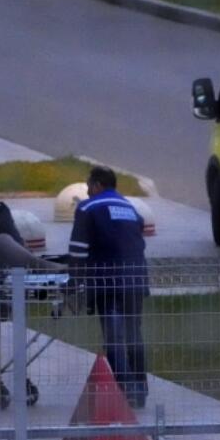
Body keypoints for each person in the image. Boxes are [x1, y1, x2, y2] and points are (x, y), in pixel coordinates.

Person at [68, 165, 150, 407]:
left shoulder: (88, 207)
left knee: (113, 336)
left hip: (106, 279)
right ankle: (140, 388)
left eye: (88, 186)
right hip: (135, 278)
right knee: (134, 333)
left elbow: (78, 250)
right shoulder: (130, 208)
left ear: (97, 185)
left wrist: (74, 281)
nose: (87, 191)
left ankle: (123, 389)